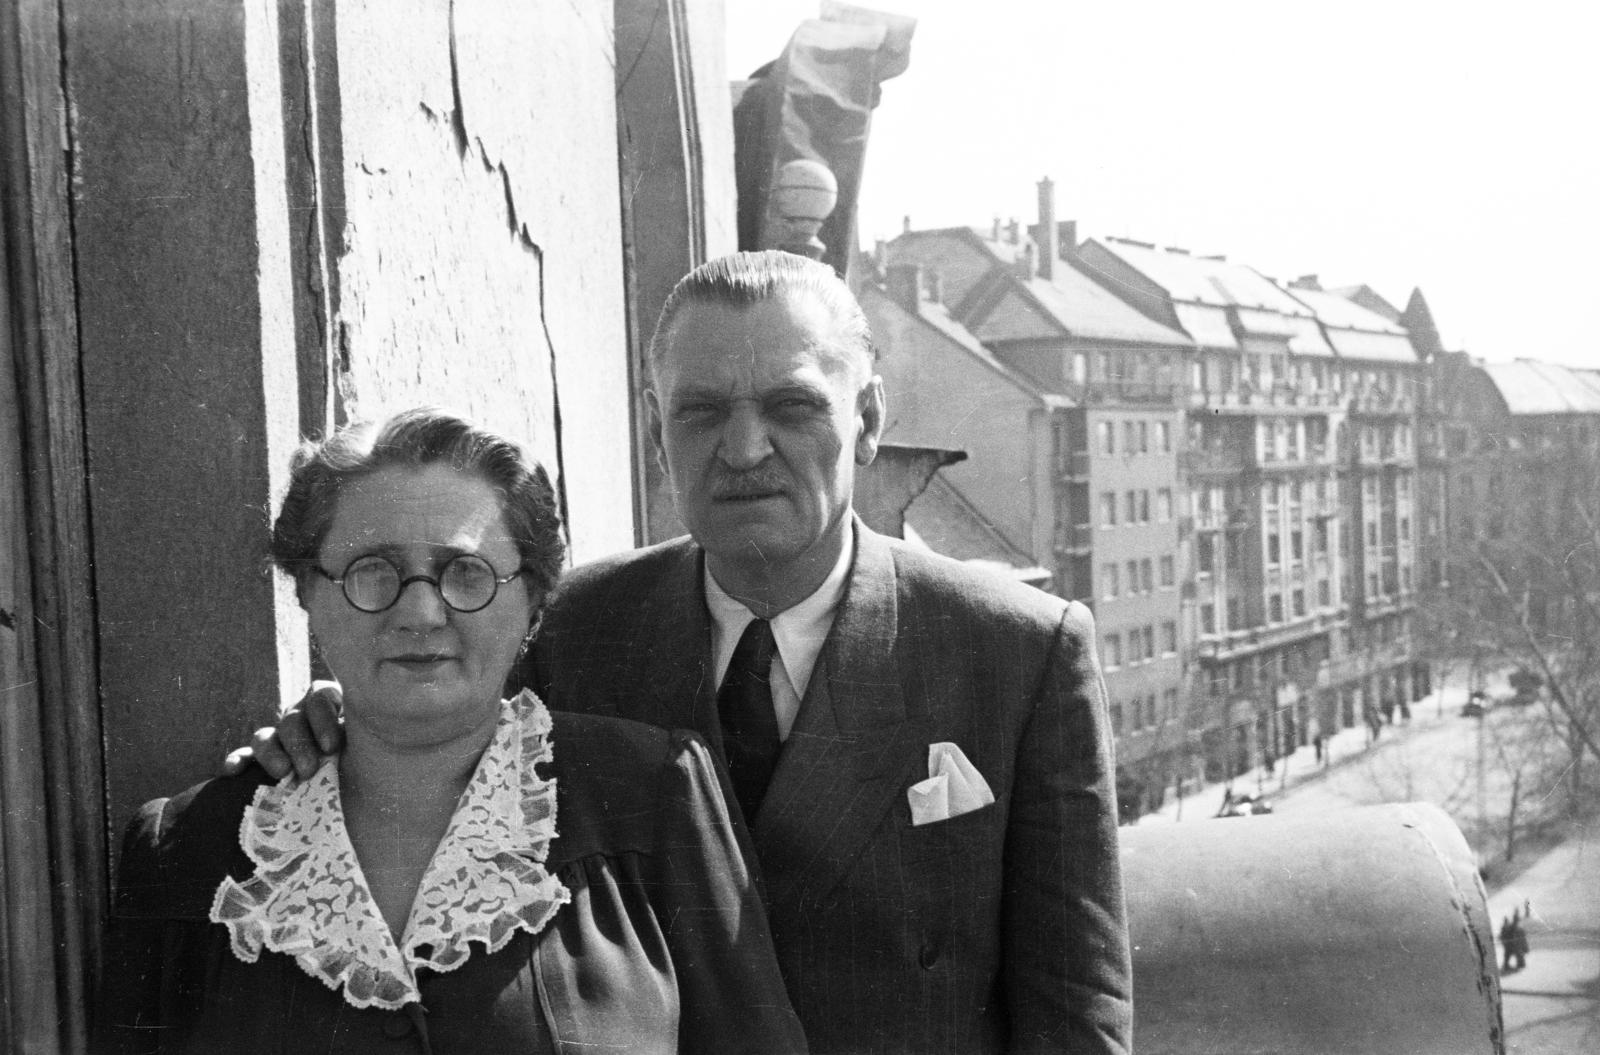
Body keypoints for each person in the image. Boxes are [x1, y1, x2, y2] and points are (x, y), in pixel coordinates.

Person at [249, 251, 1133, 1053]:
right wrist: (337, 724)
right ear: (655, 428)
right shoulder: (572, 630)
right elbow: (438, 740)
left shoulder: (1017, 652)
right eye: (703, 410)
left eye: (792, 406)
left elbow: (1076, 1013)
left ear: (866, 419)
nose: (744, 449)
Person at [102, 409, 805, 1054]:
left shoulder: (653, 793)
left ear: (533, 599)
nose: (420, 613)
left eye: (466, 572)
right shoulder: (185, 848)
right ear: (308, 592)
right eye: (371, 570)